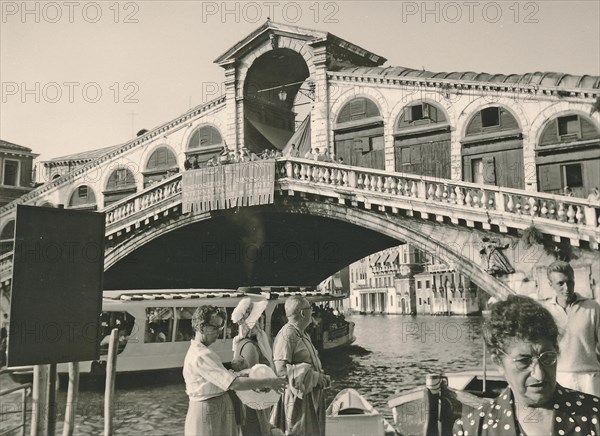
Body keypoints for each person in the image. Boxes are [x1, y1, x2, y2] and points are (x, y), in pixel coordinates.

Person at [453, 295, 600, 435]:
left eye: (547, 357)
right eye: (524, 361)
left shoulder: (594, 414)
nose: (539, 375)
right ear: (498, 362)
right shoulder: (470, 430)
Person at [183, 305, 286, 436]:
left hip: (214, 410)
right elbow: (234, 383)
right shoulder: (201, 355)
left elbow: (219, 379)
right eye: (215, 327)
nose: (219, 331)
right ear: (202, 327)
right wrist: (269, 381)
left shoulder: (203, 352)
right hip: (209, 413)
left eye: (220, 327)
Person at [271, 296, 329, 436]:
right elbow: (280, 371)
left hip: (307, 398)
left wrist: (320, 377)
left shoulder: (301, 334)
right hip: (296, 402)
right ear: (303, 313)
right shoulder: (288, 335)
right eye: (310, 308)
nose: (312, 311)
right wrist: (314, 377)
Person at [543, 260, 600, 396]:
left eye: (570, 282)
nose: (567, 288)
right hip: (559, 377)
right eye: (560, 283)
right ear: (551, 284)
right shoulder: (545, 311)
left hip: (589, 378)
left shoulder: (592, 307)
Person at [232, 298, 281, 436]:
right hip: (254, 408)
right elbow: (253, 386)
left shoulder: (247, 343)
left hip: (257, 404)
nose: (261, 322)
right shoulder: (250, 347)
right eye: (259, 319)